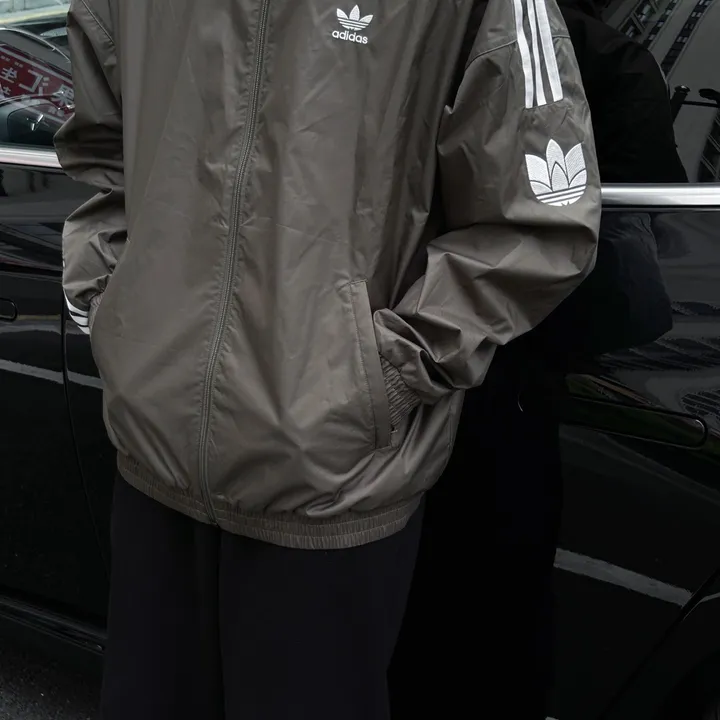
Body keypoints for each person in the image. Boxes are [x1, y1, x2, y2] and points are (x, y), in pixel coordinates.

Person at [55, 0, 599, 717]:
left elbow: (540, 217)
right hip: (153, 452)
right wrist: (116, 308)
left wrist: (384, 376)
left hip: (330, 478)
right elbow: (104, 154)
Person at [390, 1, 686, 719]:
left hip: (450, 385)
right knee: (492, 636)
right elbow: (643, 273)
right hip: (503, 387)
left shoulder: (580, 55)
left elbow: (636, 273)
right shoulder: (606, 54)